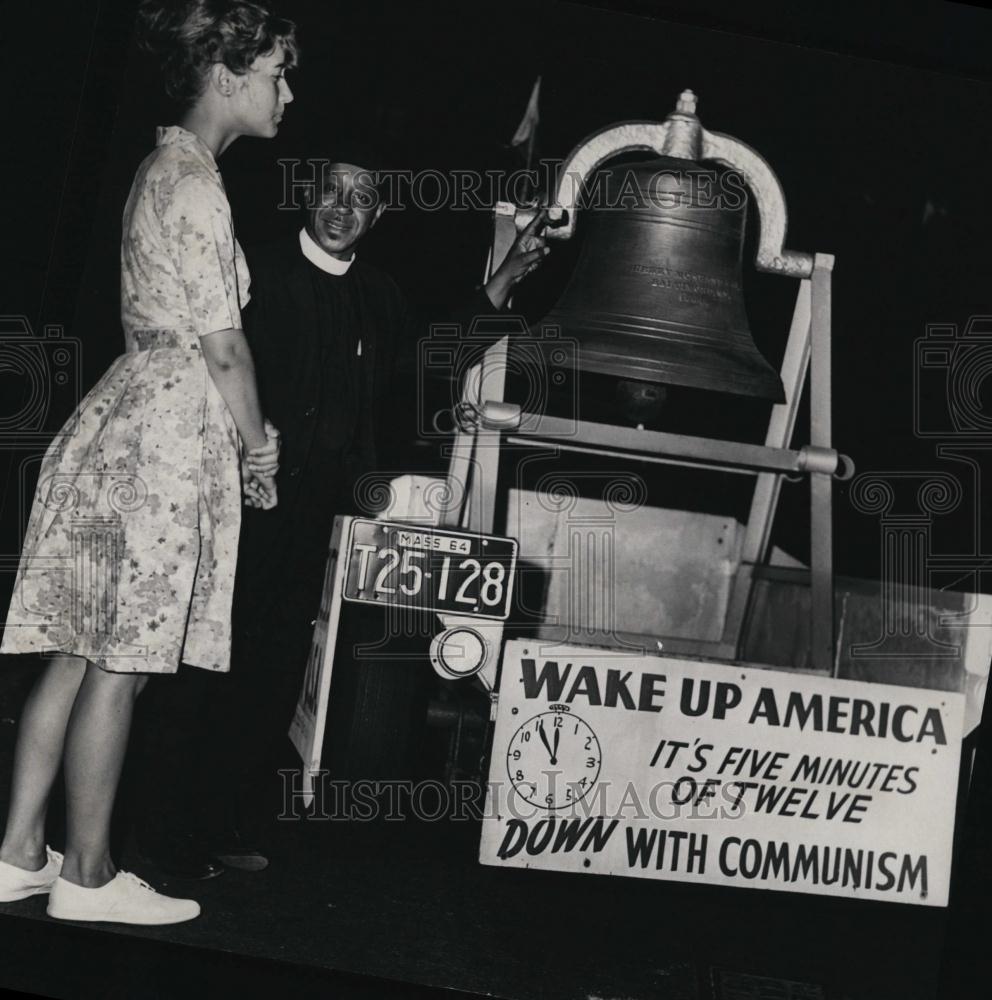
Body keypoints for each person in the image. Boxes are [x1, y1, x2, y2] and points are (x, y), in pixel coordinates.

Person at [131, 149, 550, 875]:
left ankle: (221, 824)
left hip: (313, 523)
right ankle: (151, 834)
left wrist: (505, 278)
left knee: (271, 675)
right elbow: (199, 366)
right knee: (198, 672)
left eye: (360, 198)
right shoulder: (252, 274)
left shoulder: (379, 295)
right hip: (235, 509)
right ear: (309, 199)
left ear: (377, 216)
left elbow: (427, 360)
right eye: (331, 192)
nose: (341, 207)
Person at [0, 0, 296, 924]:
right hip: (168, 431)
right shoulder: (198, 183)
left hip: (122, 416)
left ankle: (17, 853)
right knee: (121, 661)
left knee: (80, 653)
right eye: (278, 71)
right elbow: (226, 350)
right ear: (228, 75)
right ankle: (87, 875)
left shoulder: (159, 166)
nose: (289, 91)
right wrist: (259, 450)